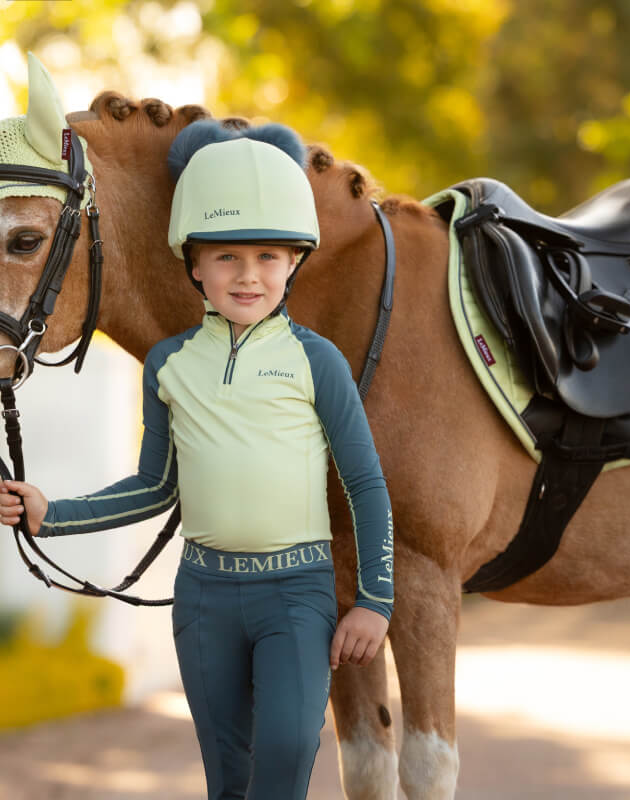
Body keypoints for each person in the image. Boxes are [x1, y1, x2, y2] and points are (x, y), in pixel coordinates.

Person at [0, 120, 394, 800]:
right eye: (226, 257)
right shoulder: (169, 364)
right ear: (194, 263)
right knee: (227, 778)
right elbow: (154, 487)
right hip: (205, 597)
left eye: (269, 256)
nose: (248, 275)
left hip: (298, 594)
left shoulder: (317, 361)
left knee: (289, 747)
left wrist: (375, 602)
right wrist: (51, 514)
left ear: (295, 260)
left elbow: (363, 482)